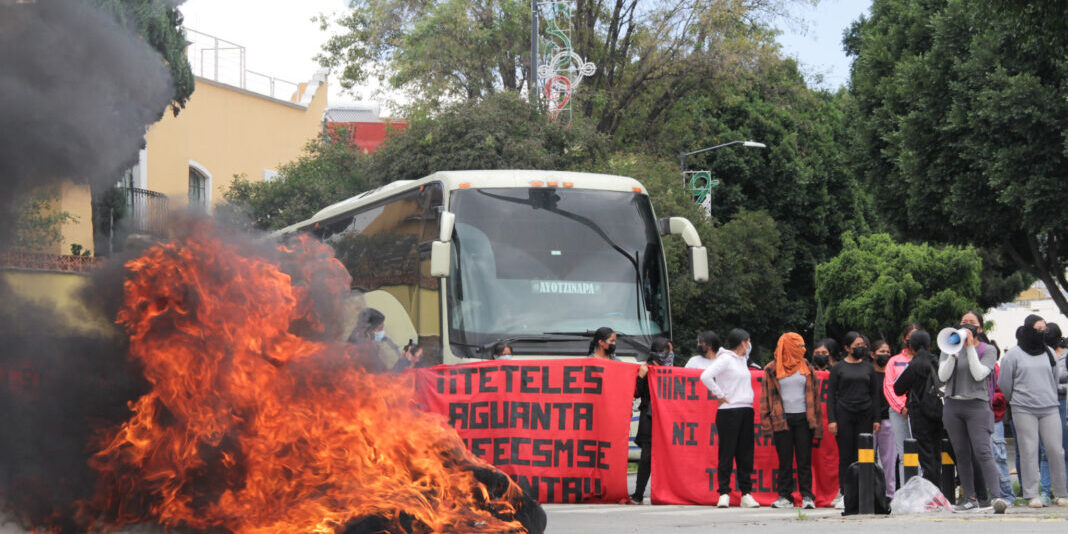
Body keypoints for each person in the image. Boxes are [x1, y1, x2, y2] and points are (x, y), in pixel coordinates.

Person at [937, 310, 1010, 512]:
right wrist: (953, 353)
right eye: (963, 322)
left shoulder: (988, 350)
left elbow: (979, 374)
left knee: (983, 451)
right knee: (961, 453)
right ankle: (970, 498)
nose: (966, 325)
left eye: (971, 322)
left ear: (979, 328)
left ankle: (997, 497)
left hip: (977, 406)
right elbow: (942, 376)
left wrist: (969, 349)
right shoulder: (950, 346)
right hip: (953, 405)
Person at [998, 314, 1068, 508]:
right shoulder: (1013, 354)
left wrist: (1050, 396)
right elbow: (1004, 383)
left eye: (1044, 329)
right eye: (1038, 328)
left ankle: (1061, 493)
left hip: (1049, 407)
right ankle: (1031, 494)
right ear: (1028, 329)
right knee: (1029, 450)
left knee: (1056, 450)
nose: (1042, 332)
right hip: (1023, 408)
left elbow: (1054, 379)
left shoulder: (1049, 353)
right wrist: (1015, 400)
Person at [760, 332, 821, 510]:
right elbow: (765, 399)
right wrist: (766, 423)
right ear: (789, 347)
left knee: (804, 460)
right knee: (784, 460)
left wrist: (817, 423)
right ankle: (785, 496)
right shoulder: (772, 369)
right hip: (781, 420)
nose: (804, 349)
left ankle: (807, 496)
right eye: (799, 346)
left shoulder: (807, 367)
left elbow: (815, 397)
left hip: (804, 418)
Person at [701, 328, 759, 508]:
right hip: (729, 410)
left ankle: (746, 493)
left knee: (745, 454)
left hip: (746, 409)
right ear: (743, 342)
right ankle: (724, 493)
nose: (750, 345)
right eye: (748, 341)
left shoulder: (743, 361)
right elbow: (706, 376)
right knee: (727, 452)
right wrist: (719, 394)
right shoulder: (725, 359)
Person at [827, 331, 879, 509]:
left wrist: (876, 418)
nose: (860, 348)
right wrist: (832, 420)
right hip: (844, 414)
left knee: (864, 455)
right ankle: (845, 492)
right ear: (847, 348)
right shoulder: (838, 368)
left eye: (863, 345)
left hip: (865, 413)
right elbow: (830, 397)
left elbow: (875, 394)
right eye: (856, 345)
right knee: (846, 455)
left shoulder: (868, 367)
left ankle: (863, 492)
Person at [893, 330, 943, 487]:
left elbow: (898, 388)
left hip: (920, 414)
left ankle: (932, 491)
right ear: (929, 346)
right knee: (937, 453)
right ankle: (941, 490)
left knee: (926, 456)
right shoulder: (937, 362)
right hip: (938, 412)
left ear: (911, 347)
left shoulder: (914, 365)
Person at [630, 337, 671, 504]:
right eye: (668, 351)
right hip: (650, 417)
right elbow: (636, 393)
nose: (671, 355)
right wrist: (641, 377)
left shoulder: (671, 371)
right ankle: (639, 494)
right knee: (646, 456)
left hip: (668, 418)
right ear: (659, 353)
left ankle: (667, 493)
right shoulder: (645, 370)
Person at [884, 323, 920, 493]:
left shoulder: (924, 359)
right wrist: (901, 407)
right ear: (904, 338)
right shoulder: (894, 361)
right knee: (905, 455)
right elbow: (889, 387)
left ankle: (924, 493)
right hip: (900, 413)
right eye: (910, 336)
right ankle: (908, 493)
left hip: (921, 412)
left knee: (923, 454)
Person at [871, 339, 896, 500]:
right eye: (881, 352)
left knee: (889, 461)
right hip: (871, 422)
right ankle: (868, 490)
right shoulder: (868, 373)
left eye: (887, 352)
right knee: (866, 459)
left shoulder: (892, 374)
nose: (885, 355)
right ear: (872, 354)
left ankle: (889, 494)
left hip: (889, 420)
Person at [1045, 323, 1068, 494]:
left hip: (1062, 402)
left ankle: (1064, 489)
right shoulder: (1040, 354)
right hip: (1045, 403)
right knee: (1045, 450)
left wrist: (1056, 387)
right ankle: (1046, 490)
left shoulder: (1066, 355)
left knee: (1064, 449)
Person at [346, 307, 396, 372]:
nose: (382, 332)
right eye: (380, 329)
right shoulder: (363, 348)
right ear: (369, 329)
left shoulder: (357, 337)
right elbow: (379, 370)